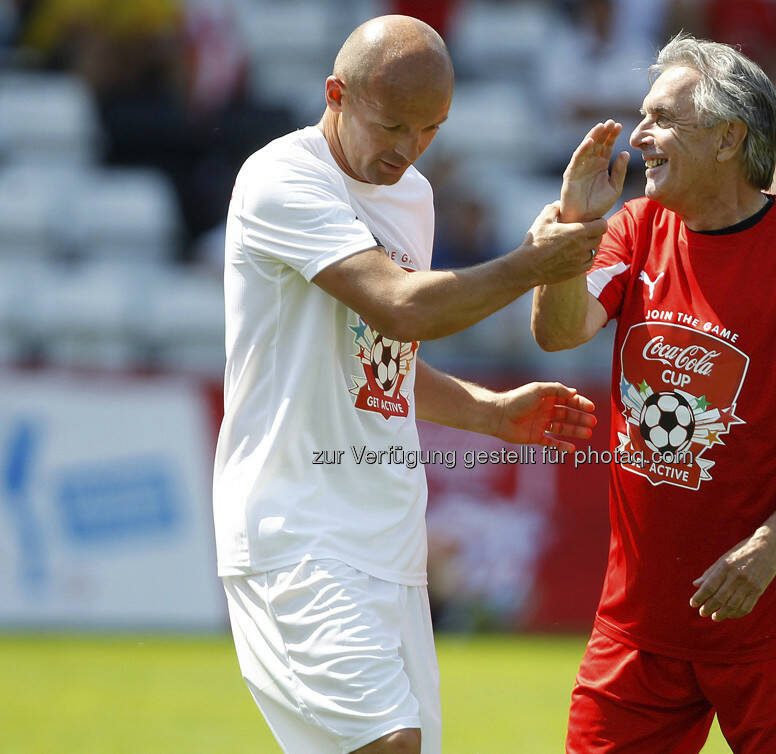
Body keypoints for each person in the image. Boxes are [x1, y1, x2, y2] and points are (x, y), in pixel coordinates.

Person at [212, 15, 607, 754]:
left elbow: (378, 354)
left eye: (430, 129)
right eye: (392, 124)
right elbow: (396, 303)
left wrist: (486, 412)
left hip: (389, 542)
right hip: (295, 528)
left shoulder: (413, 195)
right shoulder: (281, 179)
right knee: (387, 743)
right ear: (336, 94)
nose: (408, 149)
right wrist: (530, 265)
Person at [533, 32, 776, 753]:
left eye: (664, 118)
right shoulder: (633, 229)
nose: (641, 135)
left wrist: (769, 545)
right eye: (643, 115)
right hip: (638, 628)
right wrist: (572, 231)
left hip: (772, 624)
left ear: (728, 139)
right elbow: (558, 332)